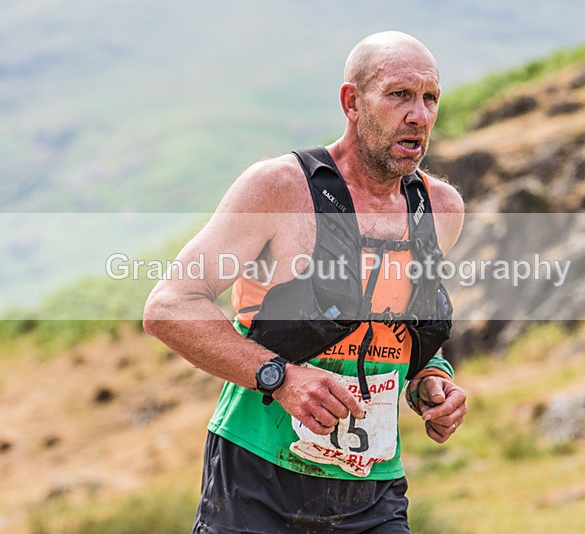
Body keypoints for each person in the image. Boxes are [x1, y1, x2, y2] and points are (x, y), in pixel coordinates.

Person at [143, 30, 468, 533]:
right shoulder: (280, 188)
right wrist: (284, 378)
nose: (419, 115)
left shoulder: (440, 209)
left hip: (373, 488)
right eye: (400, 94)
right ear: (352, 102)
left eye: (431, 98)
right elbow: (169, 306)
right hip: (257, 481)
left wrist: (431, 382)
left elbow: (404, 332)